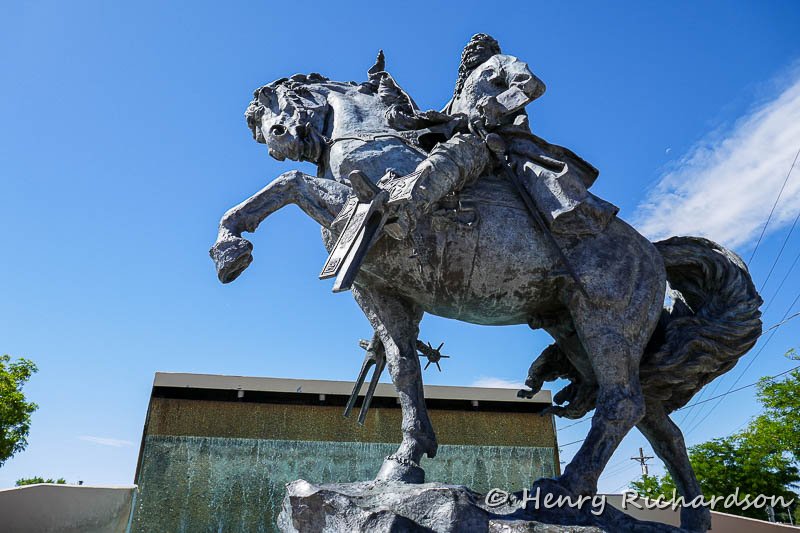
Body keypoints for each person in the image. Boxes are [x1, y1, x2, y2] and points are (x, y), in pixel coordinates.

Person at [384, 34, 617, 240]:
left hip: (493, 143)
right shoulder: (457, 96)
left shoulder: (499, 62)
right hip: (467, 139)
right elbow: (442, 120)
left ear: (492, 50)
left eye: (482, 44)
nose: (473, 48)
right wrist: (409, 120)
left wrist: (498, 105)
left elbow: (531, 85)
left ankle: (406, 210)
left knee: (456, 151)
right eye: (470, 47)